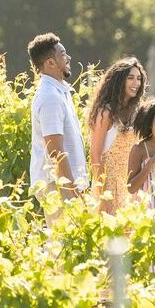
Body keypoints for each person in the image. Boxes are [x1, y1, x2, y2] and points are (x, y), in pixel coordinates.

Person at [27, 33, 88, 225]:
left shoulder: (59, 91)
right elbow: (55, 150)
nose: (68, 58)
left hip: (66, 183)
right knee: (61, 246)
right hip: (58, 186)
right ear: (50, 63)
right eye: (63, 54)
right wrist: (70, 191)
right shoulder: (50, 97)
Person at [88, 57, 147, 214]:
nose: (136, 83)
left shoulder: (137, 112)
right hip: (109, 186)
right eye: (130, 78)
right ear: (119, 80)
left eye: (139, 79)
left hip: (132, 186)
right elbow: (95, 155)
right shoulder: (105, 112)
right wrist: (103, 196)